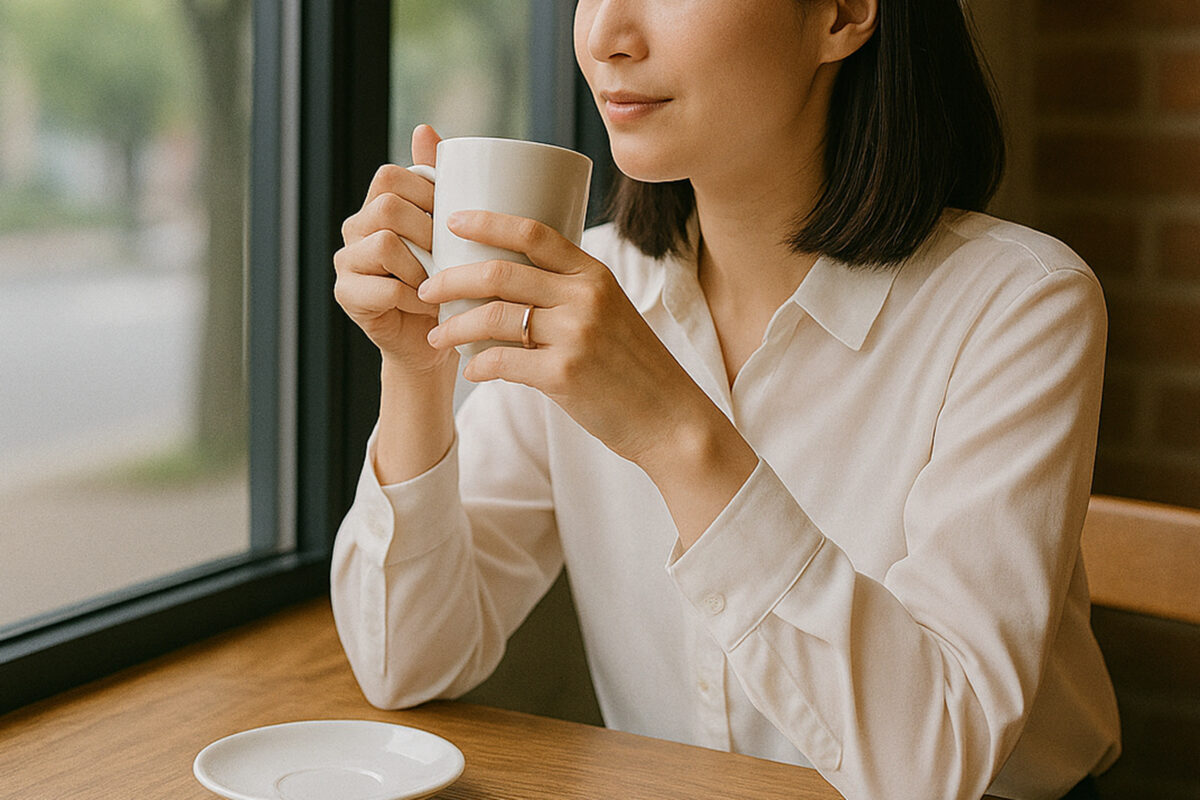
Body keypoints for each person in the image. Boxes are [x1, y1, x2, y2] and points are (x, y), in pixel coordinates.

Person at [329, 1, 1121, 798]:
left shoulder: (1023, 306)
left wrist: (672, 429)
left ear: (843, 14)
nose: (605, 36)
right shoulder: (581, 292)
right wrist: (417, 365)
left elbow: (936, 767)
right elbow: (407, 664)